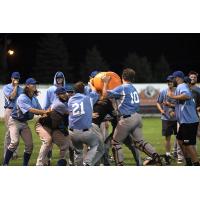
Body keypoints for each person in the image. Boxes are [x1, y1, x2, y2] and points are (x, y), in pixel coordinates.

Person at [102, 68, 162, 166]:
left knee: (115, 143)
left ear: (122, 77)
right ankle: (156, 157)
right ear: (133, 79)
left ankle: (119, 165)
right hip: (137, 117)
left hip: (127, 119)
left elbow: (105, 95)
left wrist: (105, 83)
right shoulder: (133, 88)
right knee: (140, 142)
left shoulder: (123, 88)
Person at [3, 78, 49, 166]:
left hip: (24, 123)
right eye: (33, 84)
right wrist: (44, 112)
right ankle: (5, 164)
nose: (35, 85)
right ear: (27, 86)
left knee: (30, 145)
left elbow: (41, 111)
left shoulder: (34, 99)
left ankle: (25, 166)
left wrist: (48, 113)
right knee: (14, 142)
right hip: (14, 121)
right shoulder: (22, 97)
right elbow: (31, 110)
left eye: (35, 84)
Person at [168, 71, 199, 165]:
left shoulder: (181, 86)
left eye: (173, 78)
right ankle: (189, 162)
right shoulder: (181, 86)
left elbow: (187, 96)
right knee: (180, 140)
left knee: (188, 144)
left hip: (189, 121)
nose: (172, 80)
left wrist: (173, 96)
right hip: (186, 121)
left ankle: (196, 164)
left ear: (177, 78)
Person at [35, 87, 71, 166]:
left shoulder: (63, 101)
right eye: (62, 94)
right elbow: (71, 114)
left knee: (66, 143)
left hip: (54, 127)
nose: (64, 95)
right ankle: (39, 164)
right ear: (58, 95)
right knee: (48, 141)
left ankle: (61, 163)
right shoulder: (59, 104)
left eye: (65, 93)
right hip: (43, 125)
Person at [68, 81, 100, 166]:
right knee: (95, 144)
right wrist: (91, 85)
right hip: (85, 132)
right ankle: (87, 162)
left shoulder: (70, 100)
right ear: (84, 90)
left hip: (72, 132)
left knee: (78, 152)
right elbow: (95, 92)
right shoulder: (88, 98)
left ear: (74, 91)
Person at [156, 75, 183, 164]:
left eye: (171, 81)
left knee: (179, 138)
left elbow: (181, 105)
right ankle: (167, 155)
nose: (169, 83)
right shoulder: (163, 91)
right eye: (168, 81)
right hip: (166, 118)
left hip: (177, 118)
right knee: (167, 138)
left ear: (174, 82)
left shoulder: (178, 91)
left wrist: (170, 105)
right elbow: (158, 103)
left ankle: (179, 155)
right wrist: (161, 110)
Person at [2, 72, 23, 159]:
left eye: (17, 78)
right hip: (9, 110)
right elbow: (12, 97)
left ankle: (14, 154)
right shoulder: (6, 87)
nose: (16, 80)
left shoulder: (21, 89)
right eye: (14, 78)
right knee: (9, 133)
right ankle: (6, 154)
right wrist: (15, 87)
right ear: (11, 78)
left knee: (16, 133)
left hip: (17, 111)